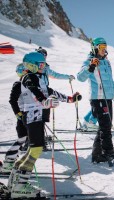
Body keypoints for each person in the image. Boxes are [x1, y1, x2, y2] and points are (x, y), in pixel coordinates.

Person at [8, 52, 81, 199]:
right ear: (31, 65)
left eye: (44, 65)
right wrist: (44, 101)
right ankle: (20, 186)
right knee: (36, 149)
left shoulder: (39, 78)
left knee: (33, 149)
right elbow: (34, 90)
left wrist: (70, 99)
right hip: (32, 115)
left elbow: (50, 92)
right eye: (41, 65)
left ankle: (15, 178)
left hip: (36, 116)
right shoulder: (28, 77)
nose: (43, 67)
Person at [77, 37, 114, 163]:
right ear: (95, 48)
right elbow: (80, 77)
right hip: (97, 98)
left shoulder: (106, 62)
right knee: (105, 127)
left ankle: (97, 155)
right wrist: (90, 67)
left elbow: (108, 80)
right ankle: (108, 153)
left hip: (108, 97)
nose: (104, 50)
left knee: (105, 126)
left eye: (105, 47)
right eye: (101, 48)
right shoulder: (90, 61)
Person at [2, 65, 28, 173]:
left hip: (30, 115)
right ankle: (8, 161)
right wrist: (18, 114)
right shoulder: (18, 84)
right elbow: (12, 100)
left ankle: (12, 161)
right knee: (22, 138)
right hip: (23, 115)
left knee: (25, 139)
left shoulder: (29, 84)